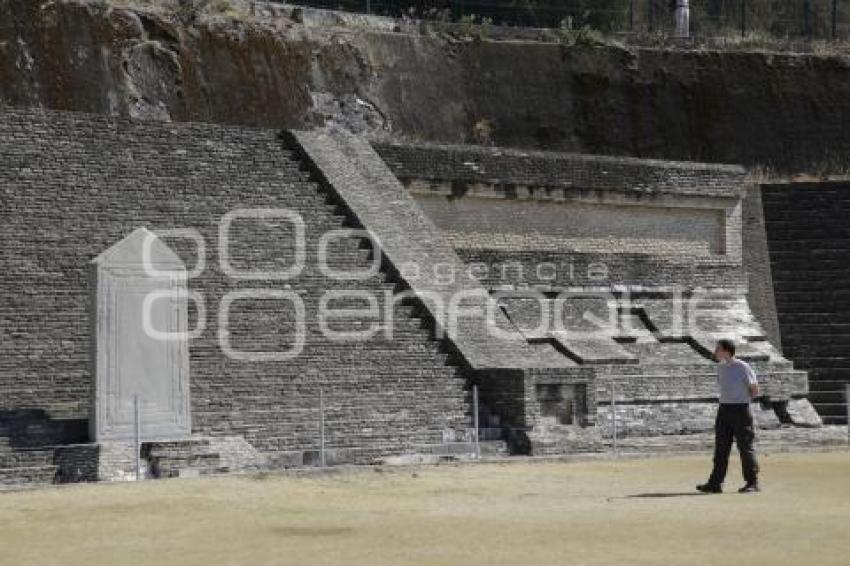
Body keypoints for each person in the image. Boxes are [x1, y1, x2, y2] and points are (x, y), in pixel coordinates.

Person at [697, 339, 761, 494]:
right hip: (724, 410)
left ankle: (752, 482)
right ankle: (715, 483)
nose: (715, 352)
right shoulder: (720, 368)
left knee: (745, 447)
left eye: (718, 349)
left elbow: (754, 389)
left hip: (741, 410)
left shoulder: (742, 366)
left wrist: (742, 401)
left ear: (726, 351)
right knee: (721, 448)